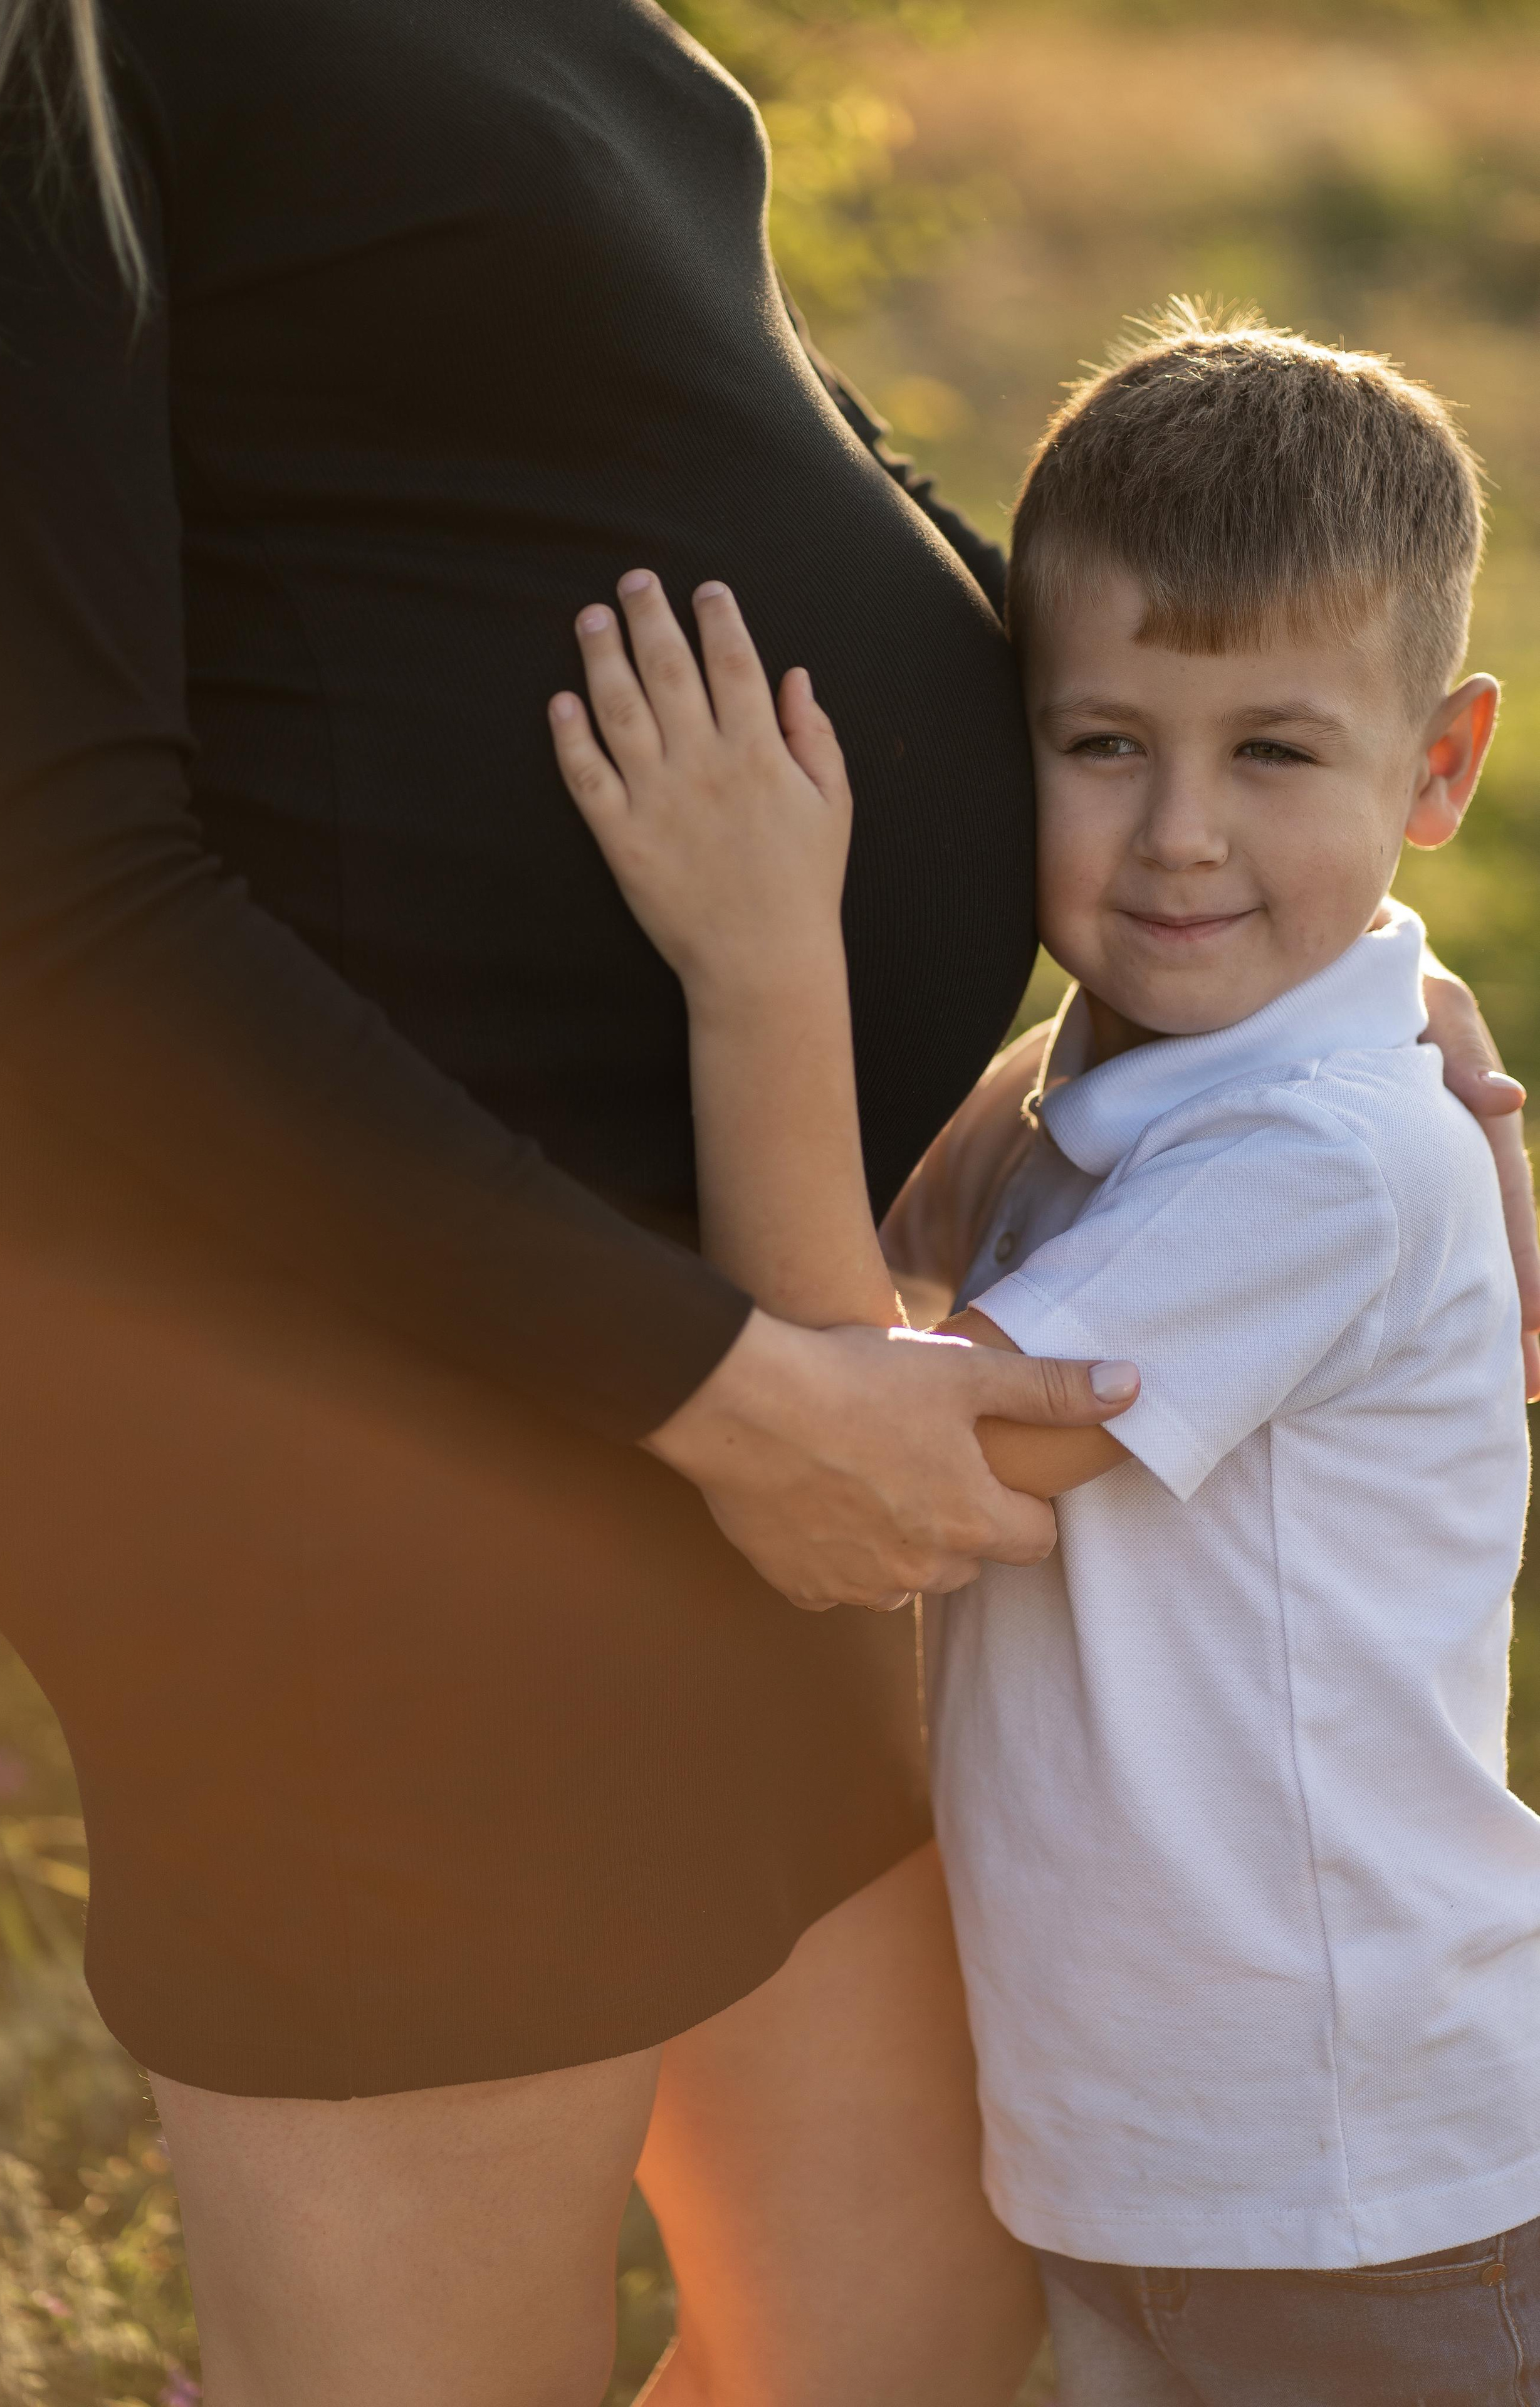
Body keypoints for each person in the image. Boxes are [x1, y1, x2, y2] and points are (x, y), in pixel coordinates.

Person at [0, 4, 1142, 2403]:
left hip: (720, 1309)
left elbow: (806, 491)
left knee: (893, 2334)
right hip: (356, 1415)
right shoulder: (24, 49)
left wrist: (1301, 983)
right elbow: (41, 890)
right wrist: (719, 1393)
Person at [547, 308, 1540, 2403]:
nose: (1179, 834)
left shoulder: (1322, 1164)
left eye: (1276, 754)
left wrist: (760, 961)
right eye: (1104, 745)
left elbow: (884, 1458)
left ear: (1439, 768)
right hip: (1162, 2163)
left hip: (1356, 2197)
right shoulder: (1112, 1081)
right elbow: (880, 1278)